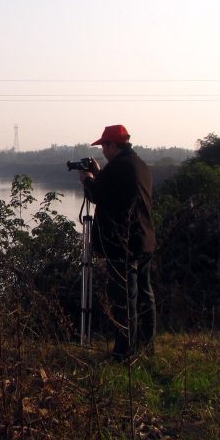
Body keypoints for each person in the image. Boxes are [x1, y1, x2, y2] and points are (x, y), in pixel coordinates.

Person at [77, 124, 156, 359]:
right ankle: (146, 346)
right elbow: (116, 192)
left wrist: (86, 180)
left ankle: (124, 352)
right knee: (144, 294)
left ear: (113, 145)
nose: (102, 150)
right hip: (143, 240)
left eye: (104, 146)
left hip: (123, 244)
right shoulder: (139, 165)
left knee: (124, 299)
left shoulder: (119, 167)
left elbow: (97, 195)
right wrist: (100, 174)